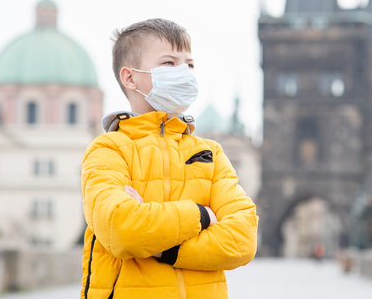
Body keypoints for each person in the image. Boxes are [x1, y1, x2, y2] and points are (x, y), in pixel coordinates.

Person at [80, 19, 258, 299]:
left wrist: (163, 245)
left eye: (189, 64)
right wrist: (202, 215)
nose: (184, 73)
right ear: (130, 78)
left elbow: (243, 239)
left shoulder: (210, 153)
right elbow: (121, 229)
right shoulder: (108, 149)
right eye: (169, 63)